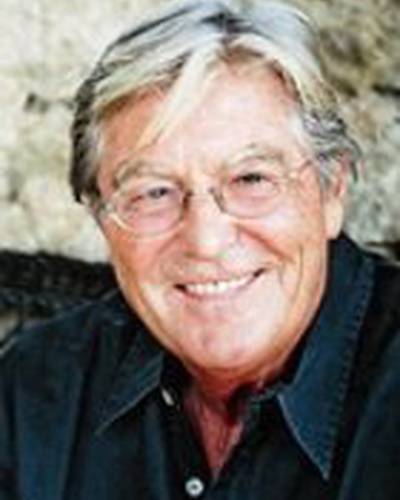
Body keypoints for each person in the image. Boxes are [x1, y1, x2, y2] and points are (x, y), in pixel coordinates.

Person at [1, 1, 400, 498]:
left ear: (332, 191)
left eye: (251, 179)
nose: (206, 241)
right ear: (101, 217)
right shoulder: (39, 393)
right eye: (153, 193)